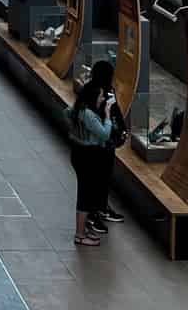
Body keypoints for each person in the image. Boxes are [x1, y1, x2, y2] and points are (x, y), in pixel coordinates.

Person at [66, 60, 125, 247]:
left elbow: (67, 114)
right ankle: (80, 233)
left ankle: (86, 227)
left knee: (88, 190)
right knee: (86, 193)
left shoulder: (79, 109)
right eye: (100, 97)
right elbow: (105, 133)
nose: (103, 98)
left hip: (80, 152)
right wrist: (107, 114)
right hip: (88, 156)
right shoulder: (89, 115)